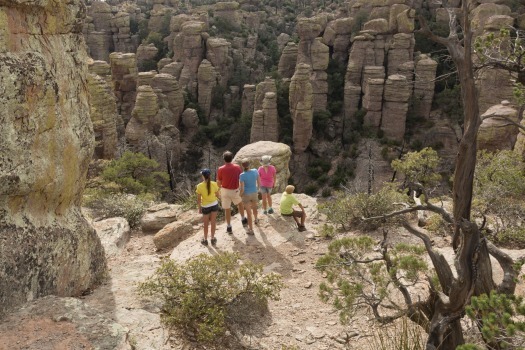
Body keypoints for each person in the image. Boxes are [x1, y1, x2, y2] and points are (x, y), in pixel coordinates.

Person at [217, 151, 246, 234]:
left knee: (227, 209)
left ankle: (229, 226)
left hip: (225, 190)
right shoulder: (237, 167)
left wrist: (220, 188)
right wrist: (241, 188)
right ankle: (243, 219)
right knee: (240, 204)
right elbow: (240, 178)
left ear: (224, 159)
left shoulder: (220, 169)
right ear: (232, 158)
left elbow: (219, 182)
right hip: (235, 190)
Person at [196, 169, 220, 246]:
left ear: (203, 176)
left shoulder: (199, 186)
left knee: (206, 224)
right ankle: (212, 238)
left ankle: (205, 240)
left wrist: (199, 208)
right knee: (213, 222)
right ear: (209, 176)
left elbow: (199, 199)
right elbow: (217, 195)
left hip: (205, 206)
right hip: (214, 204)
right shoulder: (214, 184)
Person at [239, 158, 260, 235]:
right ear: (249, 164)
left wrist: (240, 195)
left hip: (246, 195)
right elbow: (259, 182)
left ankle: (251, 229)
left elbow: (242, 188)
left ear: (242, 166)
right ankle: (256, 219)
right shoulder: (255, 171)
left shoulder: (242, 175)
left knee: (248, 213)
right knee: (254, 207)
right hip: (254, 192)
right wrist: (257, 190)